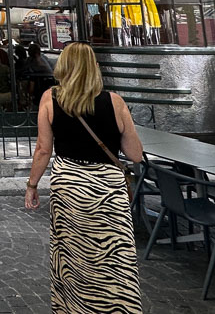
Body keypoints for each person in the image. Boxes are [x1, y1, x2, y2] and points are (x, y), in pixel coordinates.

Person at [25, 42, 144, 314]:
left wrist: (32, 185)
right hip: (108, 190)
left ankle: (74, 307)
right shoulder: (115, 102)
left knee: (72, 254)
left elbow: (43, 149)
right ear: (94, 68)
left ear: (64, 67)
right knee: (115, 258)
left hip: (70, 187)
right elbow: (135, 154)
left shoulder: (50, 98)